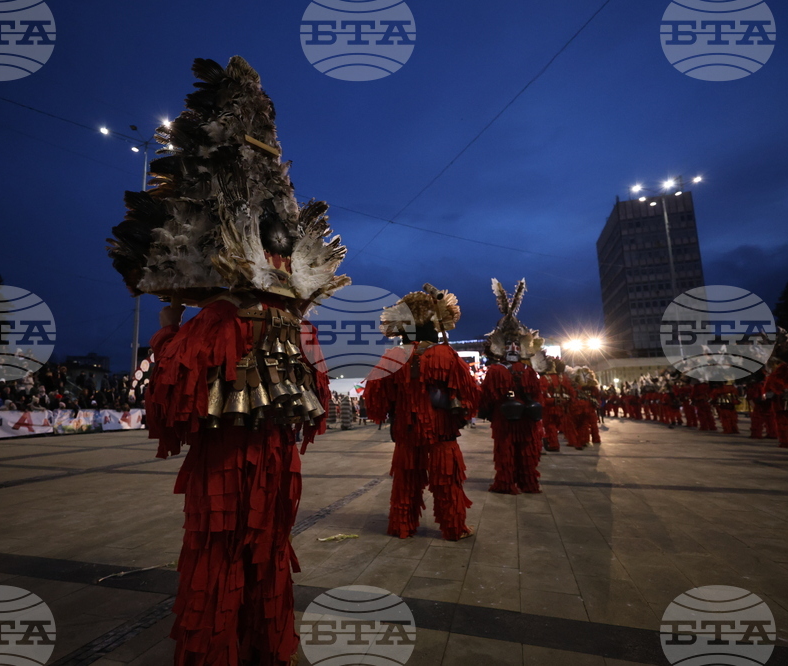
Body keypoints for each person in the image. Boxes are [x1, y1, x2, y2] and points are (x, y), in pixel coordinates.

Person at [108, 57, 348, 666]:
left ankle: (213, 651)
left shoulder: (217, 322)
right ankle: (265, 646)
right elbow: (316, 398)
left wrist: (166, 328)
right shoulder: (294, 326)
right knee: (266, 550)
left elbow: (168, 397)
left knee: (217, 552)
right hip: (276, 457)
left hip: (223, 459)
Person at [365, 284, 478, 540]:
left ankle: (401, 526)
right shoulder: (447, 355)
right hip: (442, 430)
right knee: (447, 479)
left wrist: (392, 411)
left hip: (406, 429)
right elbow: (468, 394)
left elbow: (375, 401)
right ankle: (453, 528)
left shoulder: (393, 356)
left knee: (406, 479)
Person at [478, 278, 545, 494]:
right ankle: (528, 483)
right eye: (511, 344)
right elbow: (538, 395)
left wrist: (486, 412)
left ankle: (506, 483)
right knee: (526, 449)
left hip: (504, 419)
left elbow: (486, 397)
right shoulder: (529, 371)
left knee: (506, 450)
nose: (514, 347)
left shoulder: (496, 371)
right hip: (527, 417)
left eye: (515, 344)